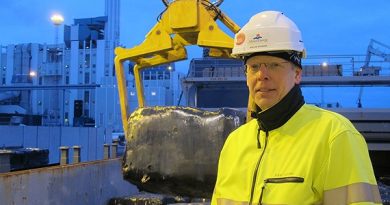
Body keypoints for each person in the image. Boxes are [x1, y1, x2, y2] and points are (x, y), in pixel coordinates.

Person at [211, 11, 381, 205]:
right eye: (254, 66)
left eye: (274, 65)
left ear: (297, 74)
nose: (262, 75)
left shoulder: (335, 135)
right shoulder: (235, 143)